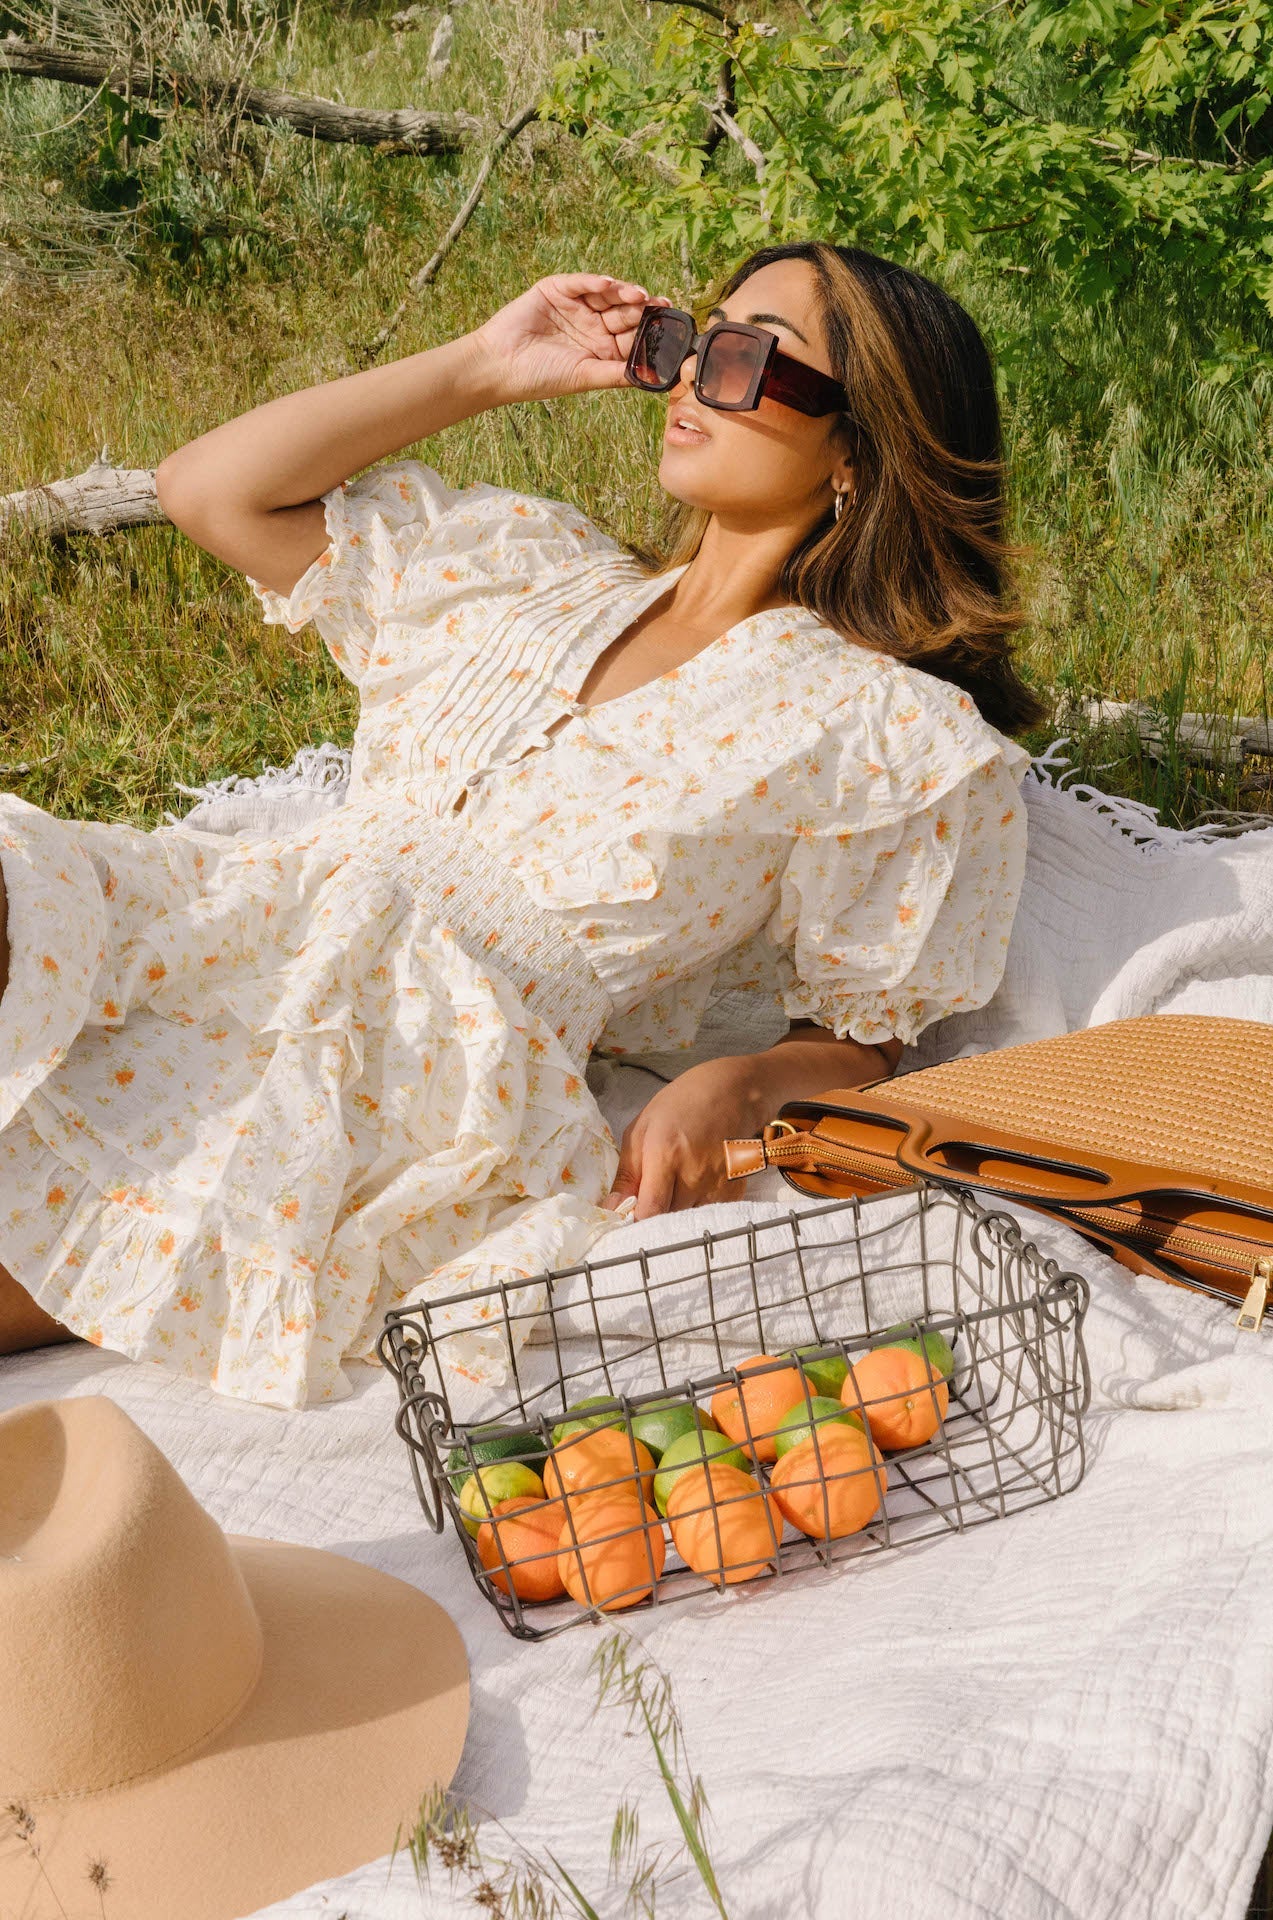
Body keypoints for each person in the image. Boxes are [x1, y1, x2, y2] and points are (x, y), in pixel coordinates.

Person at [0, 241, 1040, 1407]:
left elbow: (861, 1039)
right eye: (690, 342)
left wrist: (742, 1084)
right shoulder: (522, 563)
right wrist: (487, 363)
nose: (695, 374)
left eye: (750, 358)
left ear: (856, 446)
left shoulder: (890, 732)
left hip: (400, 1070)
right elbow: (210, 488)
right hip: (227, 924)